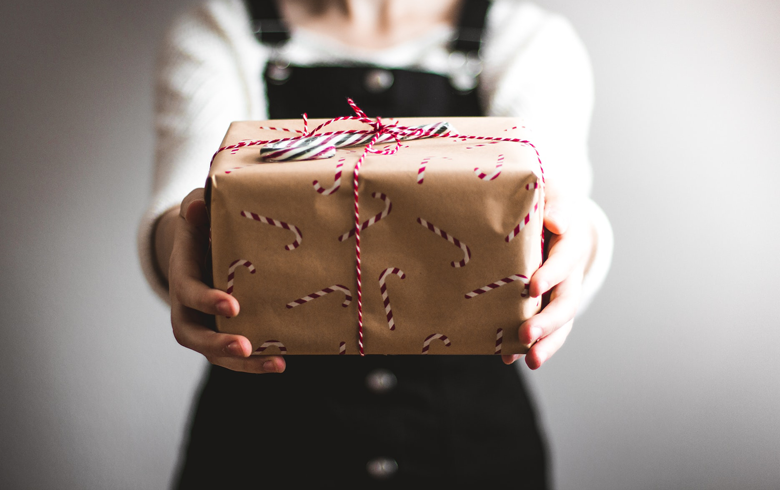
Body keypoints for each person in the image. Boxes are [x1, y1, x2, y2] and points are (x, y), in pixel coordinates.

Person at [138, 0, 613, 487]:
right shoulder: (221, 28)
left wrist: (577, 241)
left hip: (470, 450)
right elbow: (184, 202)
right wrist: (183, 248)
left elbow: (558, 198)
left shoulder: (525, 38)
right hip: (261, 452)